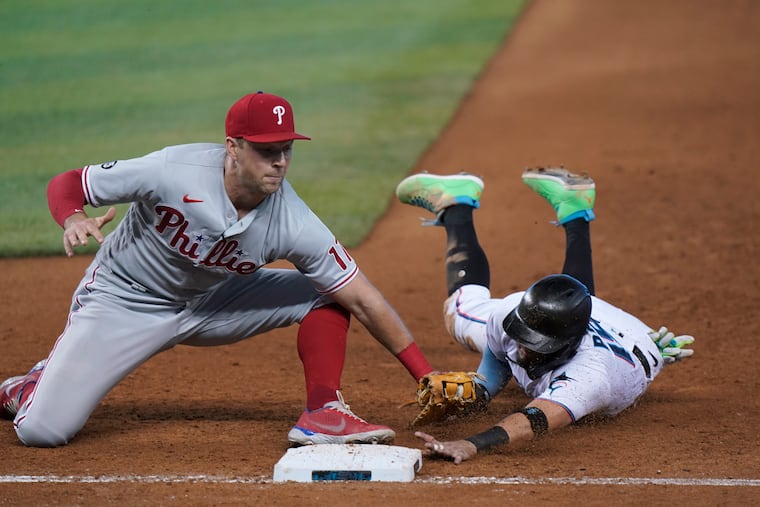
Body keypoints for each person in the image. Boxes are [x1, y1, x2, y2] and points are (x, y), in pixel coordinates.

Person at [0, 90, 437, 447]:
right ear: (233, 147)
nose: (280, 162)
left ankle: (323, 411)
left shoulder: (294, 220)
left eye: (285, 149)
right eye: (267, 151)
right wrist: (73, 216)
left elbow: (361, 296)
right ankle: (28, 385)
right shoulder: (172, 171)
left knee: (330, 293)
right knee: (42, 431)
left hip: (211, 303)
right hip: (123, 301)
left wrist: (426, 375)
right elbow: (70, 184)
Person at [394, 168, 695, 464]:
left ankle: (455, 203)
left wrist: (470, 445)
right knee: (572, 300)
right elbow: (500, 353)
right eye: (521, 336)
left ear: (564, 349)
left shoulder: (590, 377)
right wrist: (481, 390)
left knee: (461, 313)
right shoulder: (510, 316)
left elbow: (534, 419)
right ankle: (572, 210)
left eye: (534, 343)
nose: (521, 347)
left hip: (630, 339)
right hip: (616, 329)